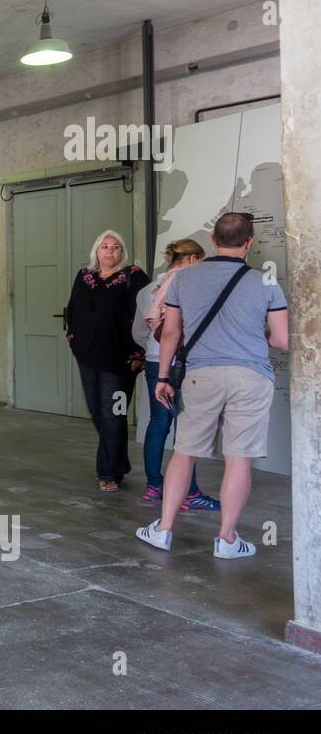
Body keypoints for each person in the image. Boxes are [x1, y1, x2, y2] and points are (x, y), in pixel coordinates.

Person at [137, 212, 289, 559]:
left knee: (184, 452)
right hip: (250, 378)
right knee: (238, 460)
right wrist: (252, 332)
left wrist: (162, 378)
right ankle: (227, 539)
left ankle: (163, 531)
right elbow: (281, 340)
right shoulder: (266, 282)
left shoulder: (185, 279)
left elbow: (172, 333)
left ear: (212, 241)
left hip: (200, 375)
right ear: (249, 243)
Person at [131, 240, 220, 509]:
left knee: (158, 423)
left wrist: (152, 347)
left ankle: (153, 486)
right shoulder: (190, 284)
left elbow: (137, 333)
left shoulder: (147, 290)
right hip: (184, 362)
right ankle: (189, 492)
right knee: (187, 428)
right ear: (192, 259)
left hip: (154, 362)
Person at [64, 230, 150, 492]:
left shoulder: (133, 275)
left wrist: (139, 353)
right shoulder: (84, 276)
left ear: (121, 252)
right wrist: (73, 338)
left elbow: (145, 314)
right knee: (96, 410)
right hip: (88, 355)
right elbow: (74, 308)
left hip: (121, 359)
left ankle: (109, 471)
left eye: (115, 247)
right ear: (96, 251)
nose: (109, 251)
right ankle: (119, 460)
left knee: (114, 413)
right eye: (104, 246)